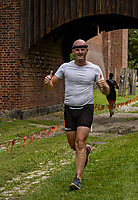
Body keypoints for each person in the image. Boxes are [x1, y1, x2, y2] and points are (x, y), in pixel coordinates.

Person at [44, 39, 110, 190]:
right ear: (73, 51)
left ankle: (77, 179)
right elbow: (51, 85)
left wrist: (105, 86)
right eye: (77, 49)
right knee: (73, 144)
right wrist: (47, 82)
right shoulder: (65, 67)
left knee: (80, 142)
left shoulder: (95, 69)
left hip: (86, 108)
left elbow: (105, 92)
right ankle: (86, 150)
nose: (80, 52)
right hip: (69, 109)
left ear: (87, 50)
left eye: (82, 49)